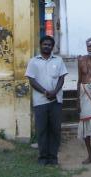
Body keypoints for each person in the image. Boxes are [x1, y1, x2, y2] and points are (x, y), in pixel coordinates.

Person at [25, 36, 67, 166]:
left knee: (55, 129)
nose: (47, 46)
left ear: (52, 47)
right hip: (40, 101)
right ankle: (42, 158)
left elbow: (61, 78)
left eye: (49, 45)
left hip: (56, 101)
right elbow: (31, 80)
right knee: (42, 130)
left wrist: (55, 92)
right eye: (45, 44)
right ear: (40, 45)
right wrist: (45, 92)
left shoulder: (59, 60)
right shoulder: (33, 62)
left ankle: (53, 158)